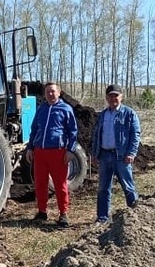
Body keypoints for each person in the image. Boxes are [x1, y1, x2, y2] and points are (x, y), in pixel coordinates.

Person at [24, 82, 78, 229]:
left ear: (59, 93)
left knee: (60, 185)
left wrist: (70, 150)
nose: (50, 94)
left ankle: (63, 214)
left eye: (53, 91)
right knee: (40, 183)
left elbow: (73, 132)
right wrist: (30, 148)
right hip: (40, 152)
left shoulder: (65, 109)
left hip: (58, 152)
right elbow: (34, 129)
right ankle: (42, 212)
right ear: (44, 94)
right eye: (47, 92)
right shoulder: (41, 109)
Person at [90, 84, 141, 223]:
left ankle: (134, 214)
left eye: (116, 95)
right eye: (110, 95)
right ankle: (102, 217)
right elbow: (97, 135)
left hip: (121, 157)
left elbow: (135, 135)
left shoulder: (129, 114)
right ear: (106, 97)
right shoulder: (103, 115)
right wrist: (95, 153)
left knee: (128, 186)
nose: (113, 98)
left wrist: (131, 153)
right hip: (105, 155)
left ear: (121, 97)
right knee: (103, 188)